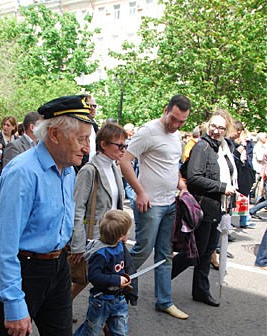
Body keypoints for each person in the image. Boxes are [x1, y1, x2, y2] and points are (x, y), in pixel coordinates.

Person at [0, 95, 99, 336]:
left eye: (88, 138)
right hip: (23, 269)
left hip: (55, 268)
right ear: (54, 135)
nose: (87, 146)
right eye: (81, 138)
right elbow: (2, 246)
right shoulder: (23, 172)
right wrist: (14, 302)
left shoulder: (68, 168)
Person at [119, 94, 191, 320]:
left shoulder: (176, 135)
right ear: (165, 109)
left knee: (165, 254)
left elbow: (172, 166)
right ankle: (114, 288)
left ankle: (164, 301)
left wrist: (181, 185)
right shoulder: (148, 131)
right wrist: (139, 192)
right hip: (150, 205)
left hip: (170, 203)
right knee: (142, 250)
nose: (176, 124)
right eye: (174, 119)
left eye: (182, 121)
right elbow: (124, 161)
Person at [172, 109, 237, 307]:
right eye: (214, 126)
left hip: (217, 207)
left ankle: (201, 290)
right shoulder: (202, 146)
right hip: (203, 205)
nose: (216, 130)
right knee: (196, 251)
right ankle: (164, 278)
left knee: (207, 250)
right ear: (207, 126)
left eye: (221, 128)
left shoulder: (223, 147)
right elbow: (194, 178)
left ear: (227, 130)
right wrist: (223, 187)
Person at [72, 210, 141, 336]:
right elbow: (94, 277)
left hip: (118, 299)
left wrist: (124, 279)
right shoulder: (101, 253)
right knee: (90, 330)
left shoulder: (118, 247)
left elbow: (121, 268)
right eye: (126, 232)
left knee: (122, 332)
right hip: (101, 301)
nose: (127, 235)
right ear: (119, 236)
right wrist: (117, 280)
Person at [70, 122, 127, 302]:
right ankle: (61, 309)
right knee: (85, 279)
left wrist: (122, 232)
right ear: (103, 144)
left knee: (106, 278)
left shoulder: (114, 168)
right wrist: (77, 244)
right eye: (119, 145)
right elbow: (77, 208)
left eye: (125, 146)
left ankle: (107, 320)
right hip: (94, 238)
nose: (123, 150)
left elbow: (117, 205)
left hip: (112, 236)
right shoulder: (89, 170)